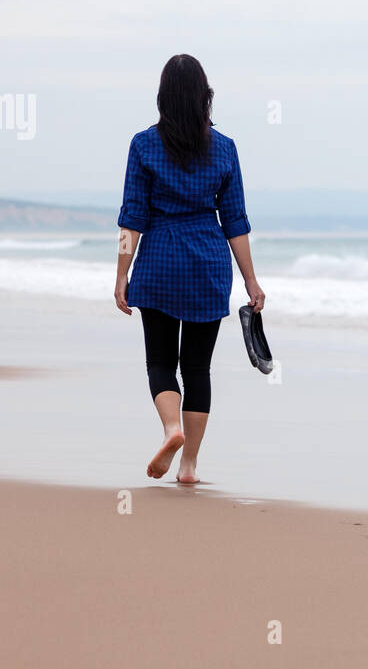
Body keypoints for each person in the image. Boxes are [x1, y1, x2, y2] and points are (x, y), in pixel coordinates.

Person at [114, 54, 265, 483]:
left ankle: (170, 427)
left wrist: (121, 274)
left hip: (160, 258)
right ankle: (190, 466)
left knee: (160, 361)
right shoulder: (225, 148)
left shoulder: (143, 145)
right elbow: (234, 220)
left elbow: (132, 217)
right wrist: (250, 280)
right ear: (205, 97)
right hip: (207, 261)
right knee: (198, 368)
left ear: (163, 97)